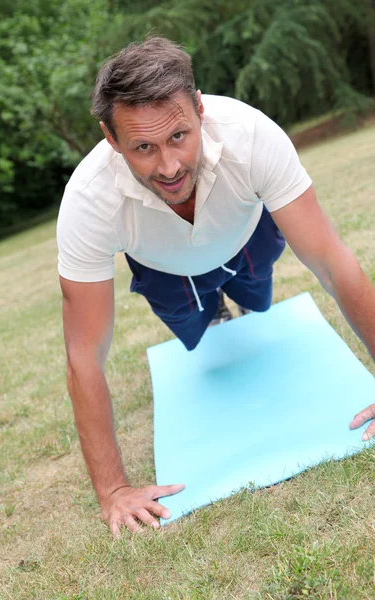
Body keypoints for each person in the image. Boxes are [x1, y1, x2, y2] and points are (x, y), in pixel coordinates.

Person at [56, 37, 375, 538]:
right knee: (197, 329)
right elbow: (84, 350)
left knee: (257, 298)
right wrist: (113, 489)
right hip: (165, 268)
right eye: (143, 147)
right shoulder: (87, 200)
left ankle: (239, 299)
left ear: (200, 108)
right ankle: (212, 311)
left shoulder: (251, 136)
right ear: (111, 139)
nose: (167, 166)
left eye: (180, 135)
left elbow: (333, 263)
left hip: (246, 236)